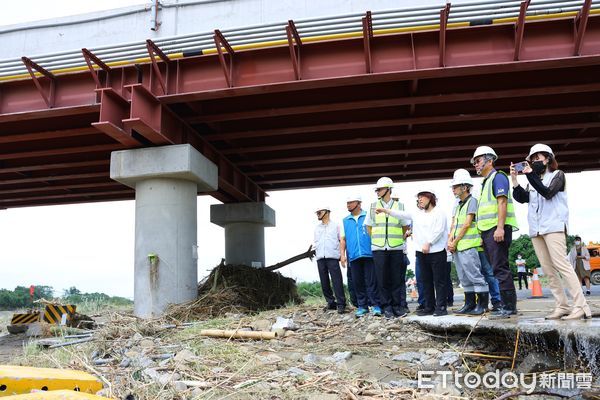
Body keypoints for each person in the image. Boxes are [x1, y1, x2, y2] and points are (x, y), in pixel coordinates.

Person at [512, 144, 591, 320]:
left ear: (547, 159)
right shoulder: (533, 180)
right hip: (536, 229)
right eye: (532, 159)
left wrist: (530, 175)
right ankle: (562, 305)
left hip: (554, 226)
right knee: (548, 269)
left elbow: (547, 193)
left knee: (562, 265)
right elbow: (523, 198)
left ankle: (581, 306)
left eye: (537, 158)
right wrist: (515, 181)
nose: (534, 162)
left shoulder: (558, 175)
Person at [377, 189, 449, 316]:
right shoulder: (417, 213)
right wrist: (385, 210)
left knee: (439, 281)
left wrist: (429, 243)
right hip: (421, 253)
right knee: (425, 280)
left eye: (422, 197)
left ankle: (441, 307)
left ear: (430, 198)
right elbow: (400, 214)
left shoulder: (439, 212)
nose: (419, 200)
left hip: (436, 251)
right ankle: (429, 307)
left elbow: (439, 230)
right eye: (418, 198)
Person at [471, 146, 519, 318]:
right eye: (475, 162)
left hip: (496, 229)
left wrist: (499, 228)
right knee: (495, 267)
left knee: (500, 267)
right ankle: (504, 305)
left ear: (489, 161)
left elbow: (502, 203)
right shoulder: (485, 182)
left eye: (478, 161)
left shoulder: (498, 177)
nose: (475, 165)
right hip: (488, 231)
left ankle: (509, 306)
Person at [366, 177, 411, 319]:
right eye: (377, 190)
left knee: (396, 278)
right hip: (379, 248)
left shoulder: (400, 206)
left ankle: (397, 306)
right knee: (382, 279)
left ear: (388, 189)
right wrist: (377, 240)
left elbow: (405, 226)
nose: (377, 192)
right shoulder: (373, 206)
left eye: (379, 189)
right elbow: (368, 227)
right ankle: (387, 307)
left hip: (396, 247)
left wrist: (398, 240)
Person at [448, 169, 489, 315]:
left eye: (455, 186)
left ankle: (482, 305)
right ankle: (469, 304)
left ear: (465, 187)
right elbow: (454, 225)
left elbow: (466, 224)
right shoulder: (459, 204)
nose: (453, 189)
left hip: (469, 246)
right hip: (458, 247)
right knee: (464, 278)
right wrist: (450, 241)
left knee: (475, 276)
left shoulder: (472, 201)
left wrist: (455, 241)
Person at [340, 195, 381, 317]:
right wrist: (342, 255)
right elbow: (343, 239)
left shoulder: (368, 216)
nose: (348, 205)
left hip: (369, 253)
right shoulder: (346, 220)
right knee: (357, 282)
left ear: (358, 203)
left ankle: (376, 305)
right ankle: (362, 306)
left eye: (351, 202)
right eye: (347, 202)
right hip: (353, 255)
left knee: (371, 281)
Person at [313, 206, 346, 314]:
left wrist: (342, 255)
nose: (317, 214)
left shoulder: (336, 226)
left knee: (337, 280)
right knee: (324, 281)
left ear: (327, 212)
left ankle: (341, 304)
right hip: (320, 258)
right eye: (316, 212)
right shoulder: (317, 228)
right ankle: (330, 302)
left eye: (319, 212)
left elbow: (341, 240)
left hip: (332, 257)